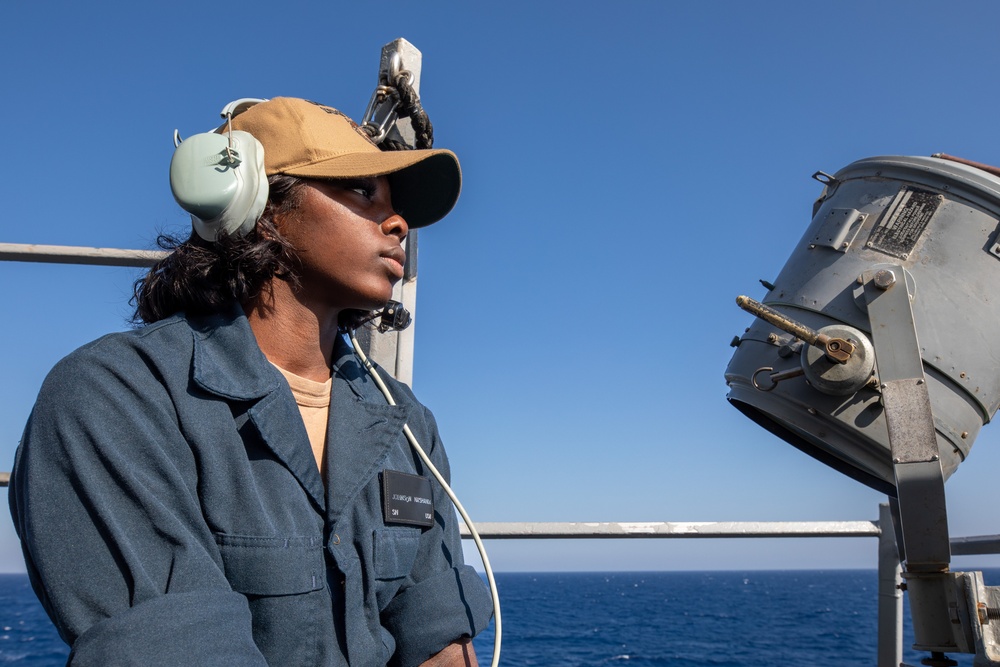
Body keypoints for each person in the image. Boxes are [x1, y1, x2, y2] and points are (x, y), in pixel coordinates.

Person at [9, 97, 493, 666]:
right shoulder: (113, 398)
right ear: (262, 208)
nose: (398, 223)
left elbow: (437, 639)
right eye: (363, 190)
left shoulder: (407, 425)